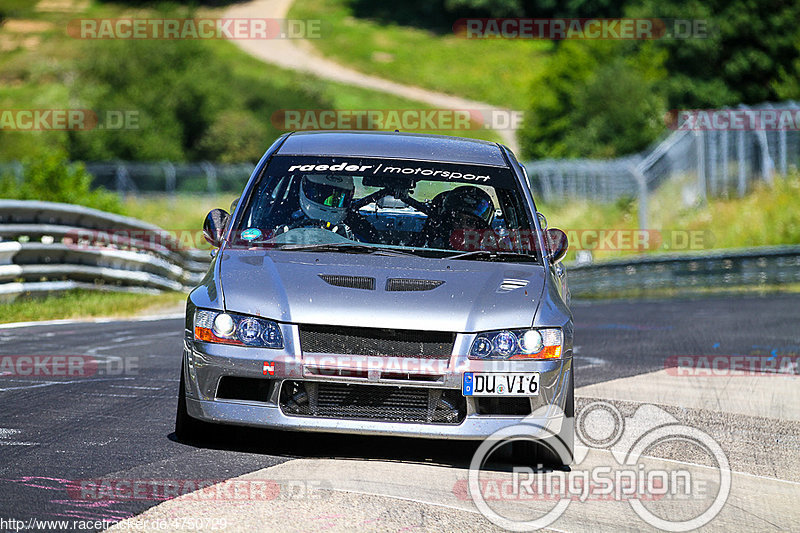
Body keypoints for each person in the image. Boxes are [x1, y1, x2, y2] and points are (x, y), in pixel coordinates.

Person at [273, 174, 356, 238]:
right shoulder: (287, 219)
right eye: (321, 194)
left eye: (337, 199)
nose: (329, 205)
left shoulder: (351, 228)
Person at [418, 186, 495, 249]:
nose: (463, 226)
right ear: (449, 221)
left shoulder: (491, 253)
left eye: (470, 222)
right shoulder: (432, 246)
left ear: (479, 227)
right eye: (458, 220)